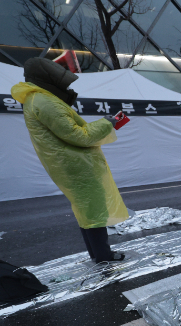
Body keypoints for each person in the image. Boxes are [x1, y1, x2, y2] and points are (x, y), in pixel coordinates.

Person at [11, 58, 129, 263]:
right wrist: (108, 122)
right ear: (46, 77)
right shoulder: (44, 101)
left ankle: (97, 254)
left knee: (87, 211)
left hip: (70, 164)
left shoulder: (36, 99)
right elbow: (79, 136)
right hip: (78, 165)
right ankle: (104, 256)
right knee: (94, 210)